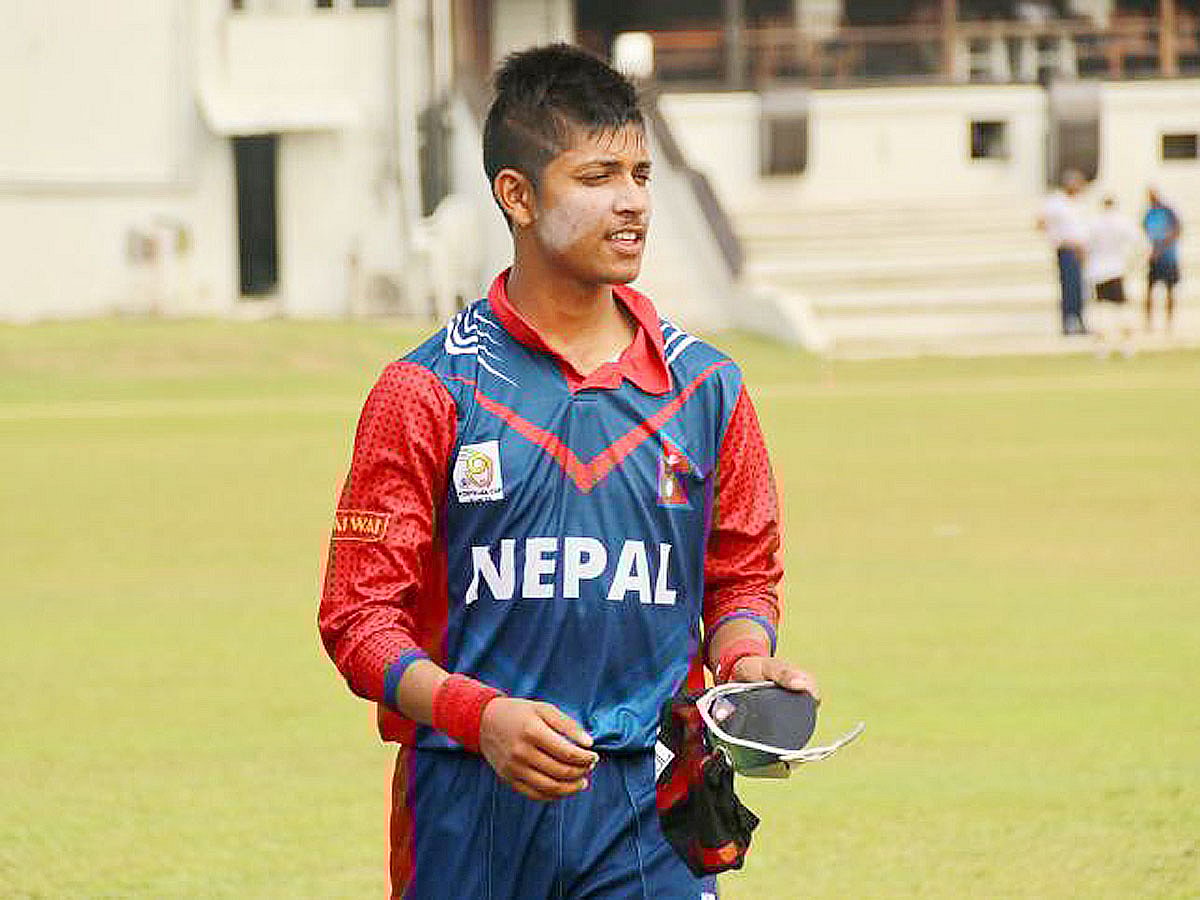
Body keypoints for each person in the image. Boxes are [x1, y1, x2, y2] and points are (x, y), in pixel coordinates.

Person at [318, 43, 817, 899]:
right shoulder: (428, 389)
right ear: (517, 194)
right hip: (468, 802)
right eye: (596, 177)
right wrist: (481, 718)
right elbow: (358, 618)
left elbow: (740, 579)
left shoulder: (708, 388)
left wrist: (745, 663)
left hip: (649, 803)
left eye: (642, 173)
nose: (631, 203)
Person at [1085, 195, 1141, 358]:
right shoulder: (1122, 222)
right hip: (1116, 270)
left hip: (1097, 271)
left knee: (1102, 310)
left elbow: (1085, 245)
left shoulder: (1094, 223)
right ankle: (1127, 346)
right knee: (1121, 309)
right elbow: (1138, 241)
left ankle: (1102, 348)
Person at [1037, 168, 1090, 335]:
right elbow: (1041, 222)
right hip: (1066, 249)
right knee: (1069, 287)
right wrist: (1056, 238)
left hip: (1079, 250)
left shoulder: (1077, 203)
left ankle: (1079, 321)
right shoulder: (1056, 202)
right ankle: (1068, 323)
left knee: (1080, 289)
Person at [1142, 187, 1182, 333]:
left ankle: (1168, 324)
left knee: (1170, 290)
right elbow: (1145, 231)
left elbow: (1177, 230)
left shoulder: (1167, 211)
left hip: (1168, 257)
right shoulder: (1148, 213)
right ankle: (1148, 324)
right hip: (1154, 257)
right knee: (1149, 290)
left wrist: (1160, 247)